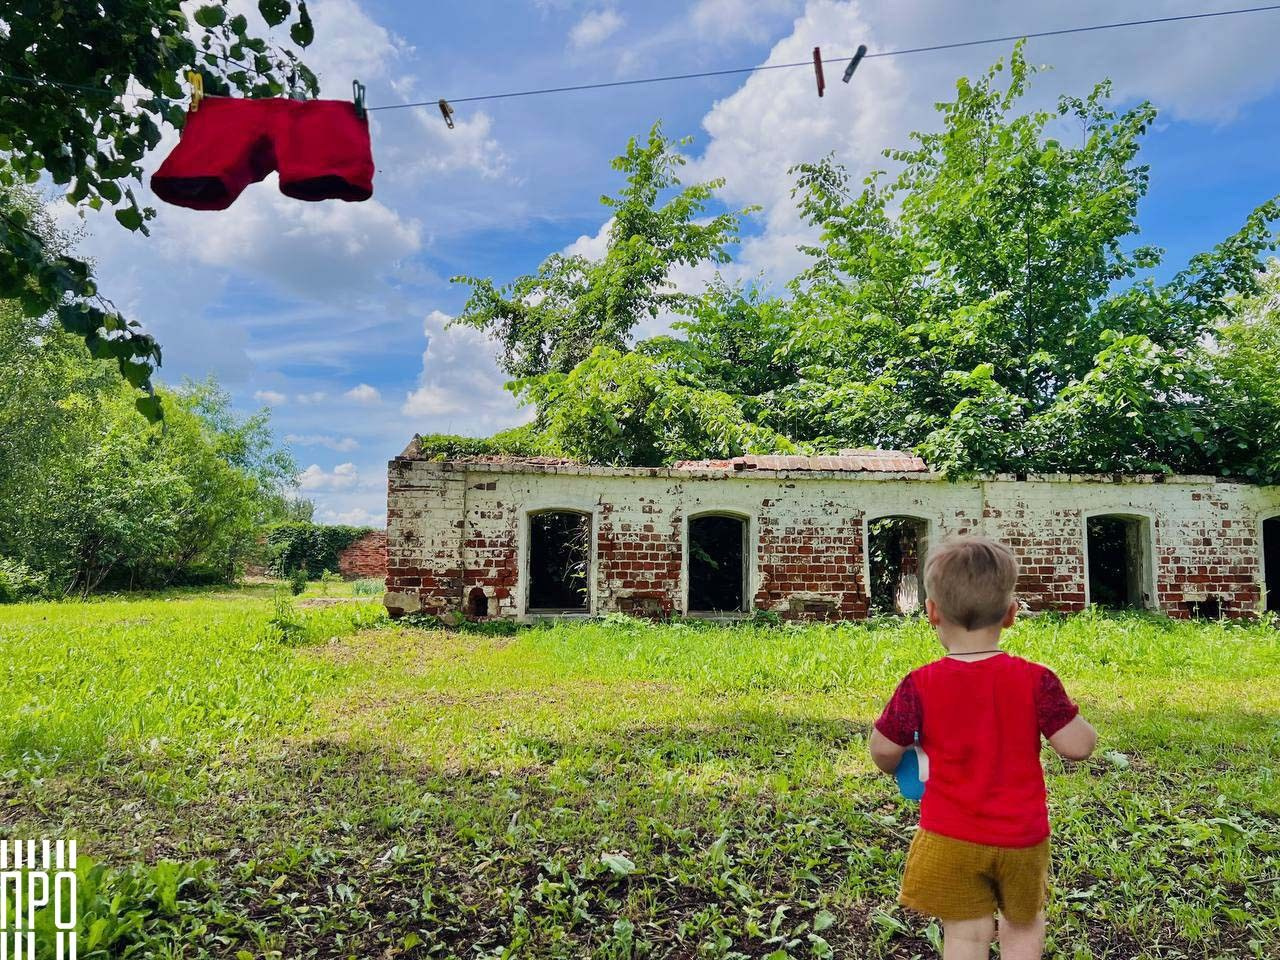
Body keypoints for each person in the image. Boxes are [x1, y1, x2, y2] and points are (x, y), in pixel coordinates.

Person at [869, 535, 1097, 960]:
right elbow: (1078, 746)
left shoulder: (919, 685)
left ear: (932, 612)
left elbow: (882, 748)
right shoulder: (1035, 680)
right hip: (1021, 838)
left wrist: (896, 763)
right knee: (1023, 926)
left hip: (950, 834)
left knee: (966, 935)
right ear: (1010, 615)